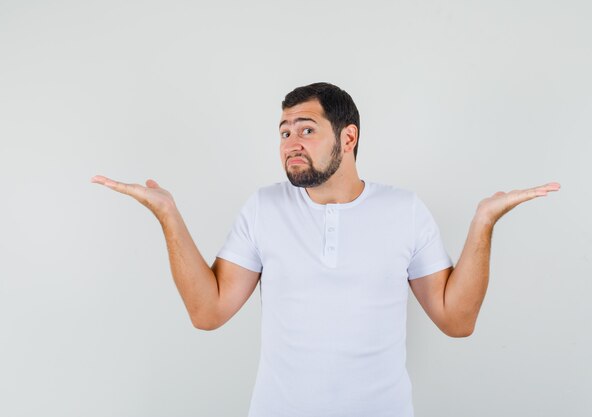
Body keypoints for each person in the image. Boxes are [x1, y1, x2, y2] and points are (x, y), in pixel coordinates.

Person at [91, 82, 560, 417]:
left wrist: (484, 223)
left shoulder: (405, 209)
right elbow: (207, 311)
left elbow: (456, 321)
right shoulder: (265, 206)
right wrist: (168, 214)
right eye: (283, 132)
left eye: (306, 130)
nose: (290, 143)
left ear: (348, 137)